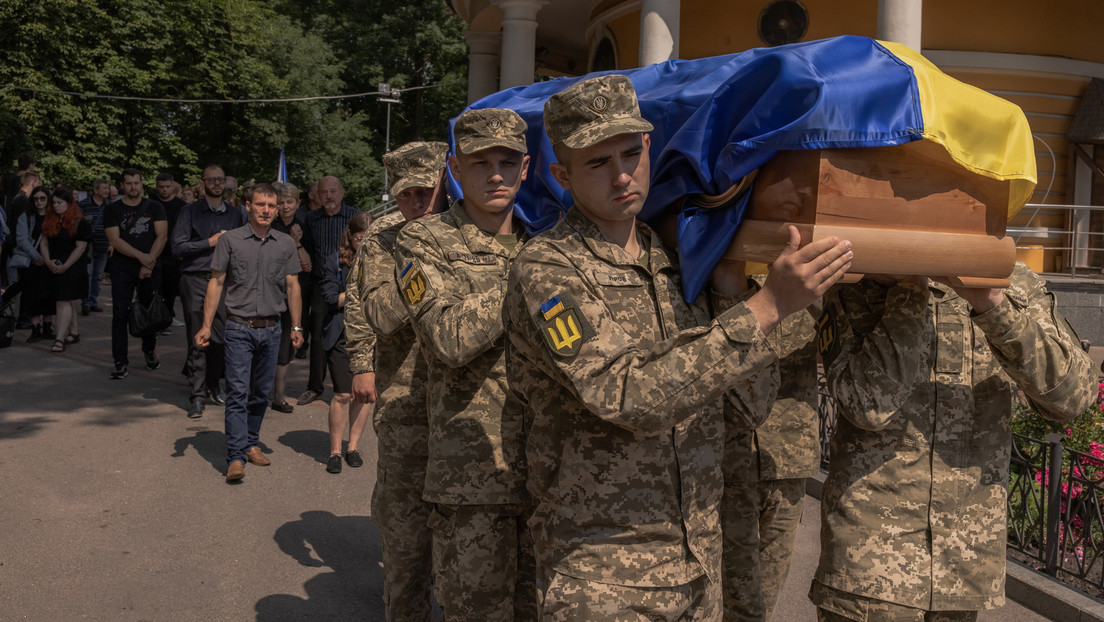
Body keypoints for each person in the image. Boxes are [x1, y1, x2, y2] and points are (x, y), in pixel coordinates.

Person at [502, 74, 853, 618]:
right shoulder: (547, 269)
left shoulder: (676, 261)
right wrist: (766, 309)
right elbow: (629, 396)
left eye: (629, 151)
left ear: (649, 148)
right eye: (596, 162)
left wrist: (734, 290)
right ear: (561, 175)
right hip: (603, 579)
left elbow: (747, 407)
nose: (621, 174)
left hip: (697, 570)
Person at [811, 266, 1098, 620]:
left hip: (965, 567)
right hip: (872, 567)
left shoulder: (1010, 280)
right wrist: (909, 288)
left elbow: (1074, 396)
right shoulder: (859, 278)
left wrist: (993, 305)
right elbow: (867, 404)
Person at [394, 109, 539, 621]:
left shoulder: (545, 241)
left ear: (528, 167)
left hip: (551, 472)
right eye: (480, 163)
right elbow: (449, 337)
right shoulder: (422, 242)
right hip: (472, 478)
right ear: (455, 168)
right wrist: (531, 277)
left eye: (508, 161)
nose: (495, 174)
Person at [717, 158, 824, 621]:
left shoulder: (813, 277)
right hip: (722, 466)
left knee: (760, 606)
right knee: (717, 602)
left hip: (786, 460)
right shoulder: (713, 267)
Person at [346, 140, 449, 621]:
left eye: (426, 192)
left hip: (461, 399)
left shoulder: (467, 229)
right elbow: (370, 309)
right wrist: (361, 362)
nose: (418, 204)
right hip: (403, 389)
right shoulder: (384, 237)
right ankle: (403, 600)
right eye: (407, 194)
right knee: (402, 510)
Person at [194, 182, 303, 482]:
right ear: (248, 206)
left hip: (271, 330)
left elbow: (293, 286)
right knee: (238, 393)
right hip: (239, 328)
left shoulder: (285, 243)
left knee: (260, 394)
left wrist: (296, 326)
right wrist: (205, 325)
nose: (267, 210)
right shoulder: (231, 241)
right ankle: (235, 457)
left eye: (272, 205)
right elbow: (215, 283)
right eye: (261, 205)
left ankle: (251, 442)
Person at [172, 165, 247, 417]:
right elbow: (178, 248)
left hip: (226, 281)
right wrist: (210, 243)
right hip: (196, 278)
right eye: (211, 180)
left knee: (223, 337)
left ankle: (213, 383)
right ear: (201, 183)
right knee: (198, 336)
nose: (217, 183)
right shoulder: (189, 212)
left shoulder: (236, 214)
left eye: (220, 179)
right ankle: (197, 394)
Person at [317, 213, 373, 473]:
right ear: (350, 236)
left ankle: (353, 447)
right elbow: (330, 299)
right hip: (341, 334)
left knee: (363, 396)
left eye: (369, 238)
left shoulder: (380, 260)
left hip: (372, 335)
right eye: (360, 238)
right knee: (342, 394)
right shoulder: (334, 261)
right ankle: (335, 452)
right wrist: (360, 292)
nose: (364, 243)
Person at [297, 175, 356, 406]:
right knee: (319, 337)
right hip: (321, 286)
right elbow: (308, 251)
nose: (329, 196)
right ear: (317, 195)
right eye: (324, 192)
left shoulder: (355, 217)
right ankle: (315, 386)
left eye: (333, 191)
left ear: (342, 192)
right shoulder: (311, 219)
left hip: (351, 285)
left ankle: (356, 383)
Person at [103, 168, 167, 379]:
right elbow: (114, 240)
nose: (133, 187)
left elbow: (162, 236)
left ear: (142, 184)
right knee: (120, 314)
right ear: (123, 185)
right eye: (129, 183)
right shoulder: (113, 209)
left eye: (136, 183)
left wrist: (148, 264)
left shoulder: (154, 207)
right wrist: (142, 257)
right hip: (122, 267)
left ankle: (149, 349)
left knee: (149, 312)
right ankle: (120, 360)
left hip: (150, 266)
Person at [269, 182, 310, 413]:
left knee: (286, 348)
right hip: (270, 293)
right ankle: (260, 391)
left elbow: (306, 265)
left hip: (293, 294)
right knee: (266, 345)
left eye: (289, 202)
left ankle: (279, 396)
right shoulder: (268, 226)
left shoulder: (303, 226)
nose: (285, 207)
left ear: (298, 203)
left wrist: (296, 242)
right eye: (280, 203)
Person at [40, 187, 90, 352]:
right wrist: (48, 261)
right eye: (53, 202)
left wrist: (66, 266)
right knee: (64, 300)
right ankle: (74, 333)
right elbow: (44, 243)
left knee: (62, 302)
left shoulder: (79, 222)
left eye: (59, 202)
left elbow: (80, 248)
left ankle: (59, 339)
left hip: (73, 267)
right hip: (54, 266)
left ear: (69, 203)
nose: (55, 205)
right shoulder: (51, 221)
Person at [14, 185, 55, 342]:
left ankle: (47, 327)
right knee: (33, 296)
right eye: (36, 199)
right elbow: (22, 239)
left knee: (49, 295)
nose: (39, 202)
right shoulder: (26, 216)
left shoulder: (54, 216)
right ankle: (35, 328)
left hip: (49, 262)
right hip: (31, 262)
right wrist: (37, 256)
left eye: (42, 198)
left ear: (48, 199)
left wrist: (48, 259)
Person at [154, 172, 187, 330]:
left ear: (173, 186)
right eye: (161, 187)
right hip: (154, 252)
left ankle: (167, 317)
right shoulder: (151, 204)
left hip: (173, 254)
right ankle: (157, 319)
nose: (165, 190)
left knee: (170, 289)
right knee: (155, 288)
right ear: (157, 187)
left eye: (167, 187)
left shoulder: (182, 206)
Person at [80, 178, 111, 315]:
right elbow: (78, 224)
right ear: (96, 190)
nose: (107, 191)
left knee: (98, 275)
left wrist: (112, 243)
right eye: (104, 188)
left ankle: (93, 300)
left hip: (103, 246)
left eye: (107, 188)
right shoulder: (84, 205)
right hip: (88, 247)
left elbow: (113, 226)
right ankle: (85, 302)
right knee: (88, 274)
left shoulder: (110, 206)